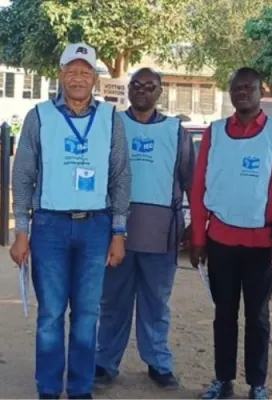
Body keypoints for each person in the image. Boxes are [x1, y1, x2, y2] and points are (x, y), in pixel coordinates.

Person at [9, 43, 131, 399]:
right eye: (71, 71)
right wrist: (21, 231)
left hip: (96, 227)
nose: (78, 78)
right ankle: (48, 389)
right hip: (49, 228)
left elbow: (121, 177)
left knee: (87, 314)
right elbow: (23, 176)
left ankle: (79, 390)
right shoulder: (39, 116)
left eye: (85, 71)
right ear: (61, 75)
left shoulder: (111, 118)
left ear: (94, 77)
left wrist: (119, 231)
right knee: (50, 315)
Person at [189, 67, 272, 399]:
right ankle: (223, 380)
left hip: (261, 245)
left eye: (248, 87)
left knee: (258, 317)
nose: (242, 93)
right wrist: (198, 238)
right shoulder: (215, 132)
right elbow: (199, 188)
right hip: (220, 241)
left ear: (260, 91)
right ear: (230, 92)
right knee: (224, 314)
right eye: (236, 88)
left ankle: (258, 384)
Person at [95, 68, 195, 389]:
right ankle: (105, 362)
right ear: (129, 90)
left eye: (149, 86)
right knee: (113, 301)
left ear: (160, 92)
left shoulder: (175, 130)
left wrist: (195, 230)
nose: (141, 90)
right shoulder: (113, 124)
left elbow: (189, 179)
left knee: (156, 302)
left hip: (160, 231)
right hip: (117, 232)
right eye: (136, 85)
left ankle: (158, 363)